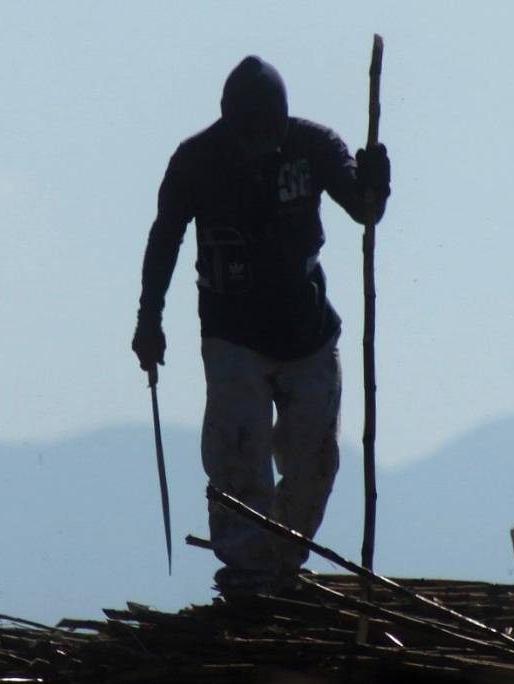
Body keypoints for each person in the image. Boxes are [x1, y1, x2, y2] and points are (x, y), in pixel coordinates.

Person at [132, 55, 390, 594]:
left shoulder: (314, 147)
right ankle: (249, 573)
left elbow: (361, 207)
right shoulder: (196, 161)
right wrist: (148, 320)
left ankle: (282, 563)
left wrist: (374, 189)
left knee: (313, 460)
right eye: (245, 131)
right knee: (237, 457)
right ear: (227, 121)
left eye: (265, 131)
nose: (256, 143)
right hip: (233, 337)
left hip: (308, 335)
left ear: (282, 120)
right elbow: (165, 240)